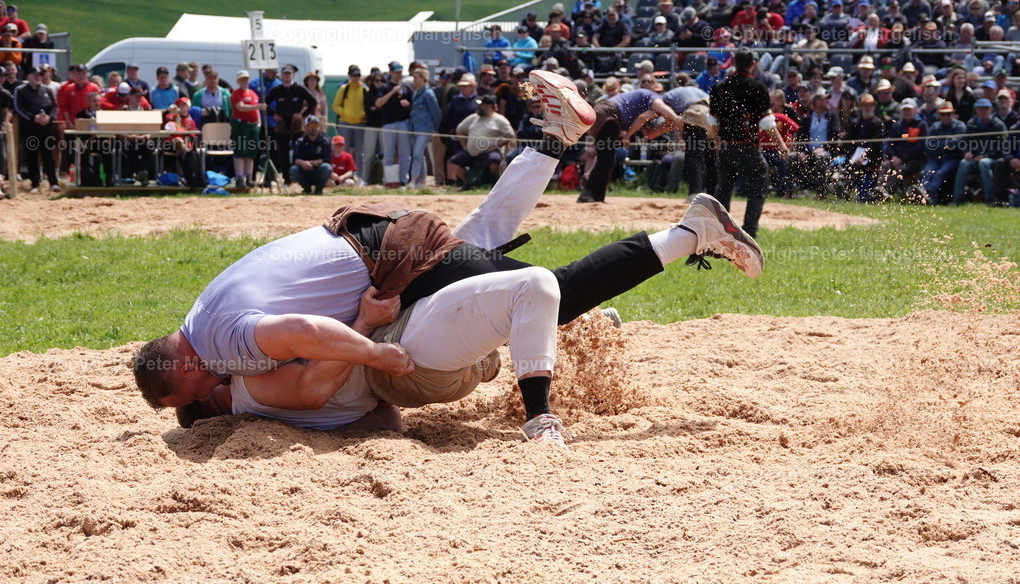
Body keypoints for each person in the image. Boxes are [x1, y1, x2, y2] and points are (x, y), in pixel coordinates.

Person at [134, 73, 764, 446]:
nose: (208, 387)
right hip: (377, 241)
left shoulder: (223, 345)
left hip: (392, 262)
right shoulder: (203, 310)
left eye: (190, 390)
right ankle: (552, 138)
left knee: (548, 291)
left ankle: (690, 233)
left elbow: (300, 336)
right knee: (487, 238)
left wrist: (374, 345)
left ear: (184, 365)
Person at [710, 49, 786, 239]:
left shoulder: (720, 87)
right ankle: (750, 230)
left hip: (726, 146)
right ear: (753, 63)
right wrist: (782, 145)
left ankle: (720, 229)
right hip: (748, 147)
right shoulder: (757, 87)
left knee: (724, 189)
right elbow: (767, 123)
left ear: (734, 62)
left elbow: (712, 122)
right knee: (757, 188)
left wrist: (716, 142)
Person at [578, 85, 679, 202]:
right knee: (606, 160)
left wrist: (664, 128)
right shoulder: (654, 97)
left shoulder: (643, 102)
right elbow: (647, 114)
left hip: (603, 113)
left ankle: (597, 196)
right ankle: (587, 194)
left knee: (607, 159)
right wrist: (677, 119)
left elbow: (647, 133)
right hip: (609, 114)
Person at [448, 94, 515, 186]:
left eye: (481, 104)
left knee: (494, 160)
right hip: (471, 151)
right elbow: (459, 130)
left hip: (490, 151)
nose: (479, 107)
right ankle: (468, 184)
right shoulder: (473, 117)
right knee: (453, 162)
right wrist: (464, 145)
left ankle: (497, 184)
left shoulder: (500, 120)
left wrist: (496, 146)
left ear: (489, 106)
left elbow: (510, 136)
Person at [266, 64, 315, 186]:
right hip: (282, 124)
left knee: (298, 150)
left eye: (289, 73)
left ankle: (298, 177)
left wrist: (303, 115)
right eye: (285, 74)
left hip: (296, 124)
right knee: (282, 153)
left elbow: (313, 102)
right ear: (281, 76)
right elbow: (264, 103)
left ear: (293, 75)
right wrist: (273, 114)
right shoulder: (277, 90)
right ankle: (286, 179)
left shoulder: (299, 89)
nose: (287, 76)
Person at [953, 98, 1008, 205]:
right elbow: (964, 143)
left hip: (992, 160)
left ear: (991, 110)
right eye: (980, 109)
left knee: (984, 163)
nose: (983, 111)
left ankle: (989, 199)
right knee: (963, 163)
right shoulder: (971, 124)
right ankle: (957, 199)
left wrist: (986, 155)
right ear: (976, 110)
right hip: (974, 159)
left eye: (985, 109)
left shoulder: (998, 125)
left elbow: (1004, 147)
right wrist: (966, 153)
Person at [13, 66, 58, 192]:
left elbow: (54, 107)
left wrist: (48, 117)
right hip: (30, 128)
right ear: (28, 76)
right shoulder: (21, 90)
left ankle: (53, 182)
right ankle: (35, 183)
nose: (38, 77)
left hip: (45, 127)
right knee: (31, 155)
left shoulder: (47, 90)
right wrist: (33, 118)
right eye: (35, 75)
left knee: (48, 155)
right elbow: (18, 108)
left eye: (40, 75)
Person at [876, 98, 928, 199]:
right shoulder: (897, 125)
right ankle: (879, 189)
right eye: (905, 110)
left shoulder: (922, 125)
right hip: (897, 159)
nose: (907, 112)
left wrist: (902, 159)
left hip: (915, 161)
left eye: (909, 109)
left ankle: (886, 192)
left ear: (916, 110)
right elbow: (890, 143)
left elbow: (920, 147)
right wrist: (893, 156)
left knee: (900, 170)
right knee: (885, 165)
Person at [375, 61, 413, 187]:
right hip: (389, 124)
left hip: (404, 123)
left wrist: (408, 105)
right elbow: (378, 103)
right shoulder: (384, 88)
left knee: (404, 154)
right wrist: (392, 92)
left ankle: (403, 180)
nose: (398, 75)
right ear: (391, 72)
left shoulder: (407, 88)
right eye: (396, 72)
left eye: (400, 72)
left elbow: (413, 107)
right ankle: (389, 180)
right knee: (388, 154)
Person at [922, 102, 966, 205]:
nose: (946, 116)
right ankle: (922, 194)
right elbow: (927, 145)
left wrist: (938, 144)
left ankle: (928, 195)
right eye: (943, 114)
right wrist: (947, 144)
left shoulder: (960, 126)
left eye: (948, 114)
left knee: (940, 174)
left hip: (952, 159)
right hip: (936, 158)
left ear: (953, 114)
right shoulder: (935, 126)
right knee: (928, 172)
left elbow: (957, 144)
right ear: (938, 115)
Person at [230, 69, 266, 189]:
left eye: (246, 79)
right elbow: (241, 107)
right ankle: (240, 177)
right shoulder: (236, 93)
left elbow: (256, 111)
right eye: (242, 80)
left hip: (253, 125)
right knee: (240, 152)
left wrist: (259, 122)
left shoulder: (253, 93)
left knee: (250, 153)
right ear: (238, 81)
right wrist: (258, 106)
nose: (244, 82)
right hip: (241, 125)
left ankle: (249, 177)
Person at [409, 67, 440, 189]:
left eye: (416, 77)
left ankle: (413, 179)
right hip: (416, 128)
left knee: (417, 154)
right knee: (420, 155)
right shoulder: (416, 93)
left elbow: (436, 113)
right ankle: (421, 181)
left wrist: (433, 129)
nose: (414, 80)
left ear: (424, 79)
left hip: (425, 129)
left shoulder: (428, 94)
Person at [332, 65, 366, 177]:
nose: (356, 77)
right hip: (345, 122)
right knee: (344, 150)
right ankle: (343, 175)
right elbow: (335, 106)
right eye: (354, 75)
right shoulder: (344, 89)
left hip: (360, 123)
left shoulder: (365, 90)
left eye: (358, 75)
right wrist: (345, 114)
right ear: (350, 76)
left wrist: (363, 115)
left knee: (359, 152)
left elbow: (367, 107)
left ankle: (360, 176)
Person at [289, 115, 331, 195]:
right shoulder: (300, 141)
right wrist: (304, 164)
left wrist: (313, 163)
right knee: (294, 169)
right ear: (306, 127)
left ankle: (318, 190)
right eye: (311, 125)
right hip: (304, 170)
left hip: (318, 169)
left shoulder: (325, 141)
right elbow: (295, 159)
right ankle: (306, 189)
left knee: (326, 167)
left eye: (316, 125)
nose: (314, 128)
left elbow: (327, 158)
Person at [0, 64, 10, 177]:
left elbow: (7, 111)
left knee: (0, 156)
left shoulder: (4, 93)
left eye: (2, 76)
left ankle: (0, 180)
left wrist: (5, 123)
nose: (0, 79)